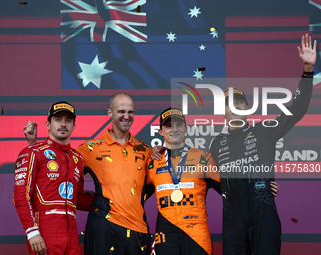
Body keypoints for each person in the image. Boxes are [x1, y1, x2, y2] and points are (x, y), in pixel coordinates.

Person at [208, 34, 317, 255]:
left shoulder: (264, 130)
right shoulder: (217, 144)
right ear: (223, 112)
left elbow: (296, 110)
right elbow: (211, 180)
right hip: (233, 224)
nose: (235, 108)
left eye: (240, 103)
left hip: (264, 218)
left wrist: (307, 71)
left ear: (247, 108)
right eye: (230, 105)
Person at [24, 93, 153, 255]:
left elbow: (158, 184)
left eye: (131, 112)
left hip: (137, 229)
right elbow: (56, 173)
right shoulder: (88, 149)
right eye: (121, 111)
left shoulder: (146, 151)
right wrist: (34, 146)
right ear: (109, 113)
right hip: (104, 228)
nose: (126, 116)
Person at [13, 101, 94, 255]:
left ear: (74, 126)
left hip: (71, 234)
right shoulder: (32, 152)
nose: (63, 124)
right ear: (48, 124)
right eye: (58, 119)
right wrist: (32, 232)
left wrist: (104, 201)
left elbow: (76, 199)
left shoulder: (78, 159)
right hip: (45, 231)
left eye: (68, 120)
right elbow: (20, 197)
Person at [148, 107, 220, 255]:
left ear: (186, 128)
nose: (174, 129)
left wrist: (261, 187)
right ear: (160, 131)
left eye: (178, 125)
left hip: (197, 234)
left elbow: (229, 190)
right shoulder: (152, 162)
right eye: (168, 126)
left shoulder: (204, 157)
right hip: (166, 234)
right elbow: (133, 197)